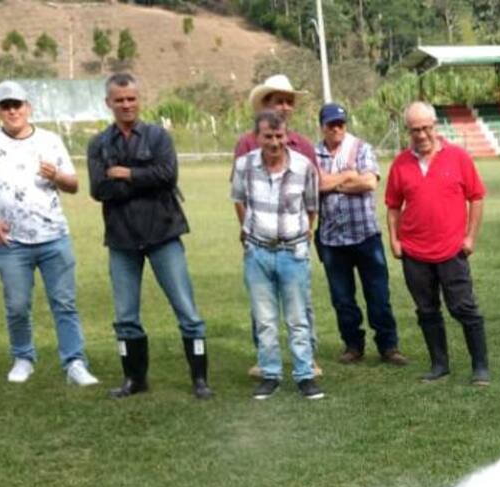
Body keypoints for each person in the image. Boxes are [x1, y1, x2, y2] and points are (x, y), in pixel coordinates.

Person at [0, 80, 98, 388]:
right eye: (5, 106)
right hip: (11, 241)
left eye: (17, 105)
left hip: (54, 236)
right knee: (16, 306)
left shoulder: (50, 140)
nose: (12, 111)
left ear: (28, 107)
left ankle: (74, 362)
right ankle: (23, 357)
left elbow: (74, 185)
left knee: (64, 303)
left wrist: (57, 175)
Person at [87, 73, 212, 400]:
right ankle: (134, 379)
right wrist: (145, 181)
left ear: (139, 100)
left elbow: (168, 176)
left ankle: (200, 380)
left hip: (163, 234)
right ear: (108, 103)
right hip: (122, 239)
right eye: (119, 100)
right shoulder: (99, 144)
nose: (126, 105)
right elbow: (99, 189)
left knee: (187, 312)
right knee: (125, 316)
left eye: (131, 98)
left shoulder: (158, 137)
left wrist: (126, 173)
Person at [384, 101, 490, 386]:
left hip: (451, 250)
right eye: (414, 130)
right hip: (414, 253)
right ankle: (439, 365)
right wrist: (394, 240)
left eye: (426, 128)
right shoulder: (400, 164)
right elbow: (393, 205)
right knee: (427, 310)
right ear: (408, 131)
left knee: (463, 308)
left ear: (435, 125)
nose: (421, 135)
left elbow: (476, 197)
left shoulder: (458, 157)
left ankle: (480, 366)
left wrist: (470, 237)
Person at [232, 111, 324, 401]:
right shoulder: (244, 165)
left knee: (298, 318)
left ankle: (305, 375)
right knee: (265, 320)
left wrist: (303, 233)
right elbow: (239, 200)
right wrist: (249, 230)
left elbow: (311, 207)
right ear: (256, 137)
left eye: (279, 136)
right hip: (257, 253)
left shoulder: (304, 166)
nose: (274, 142)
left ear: (287, 135)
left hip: (292, 252)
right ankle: (270, 374)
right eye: (268, 136)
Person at [314, 101, 406, 367]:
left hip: (366, 236)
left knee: (378, 295)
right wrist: (347, 175)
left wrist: (332, 182)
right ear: (322, 127)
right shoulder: (313, 154)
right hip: (331, 239)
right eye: (331, 125)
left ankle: (388, 346)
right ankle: (353, 345)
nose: (336, 129)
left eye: (340, 124)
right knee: (342, 298)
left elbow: (369, 182)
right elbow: (315, 184)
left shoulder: (361, 147)